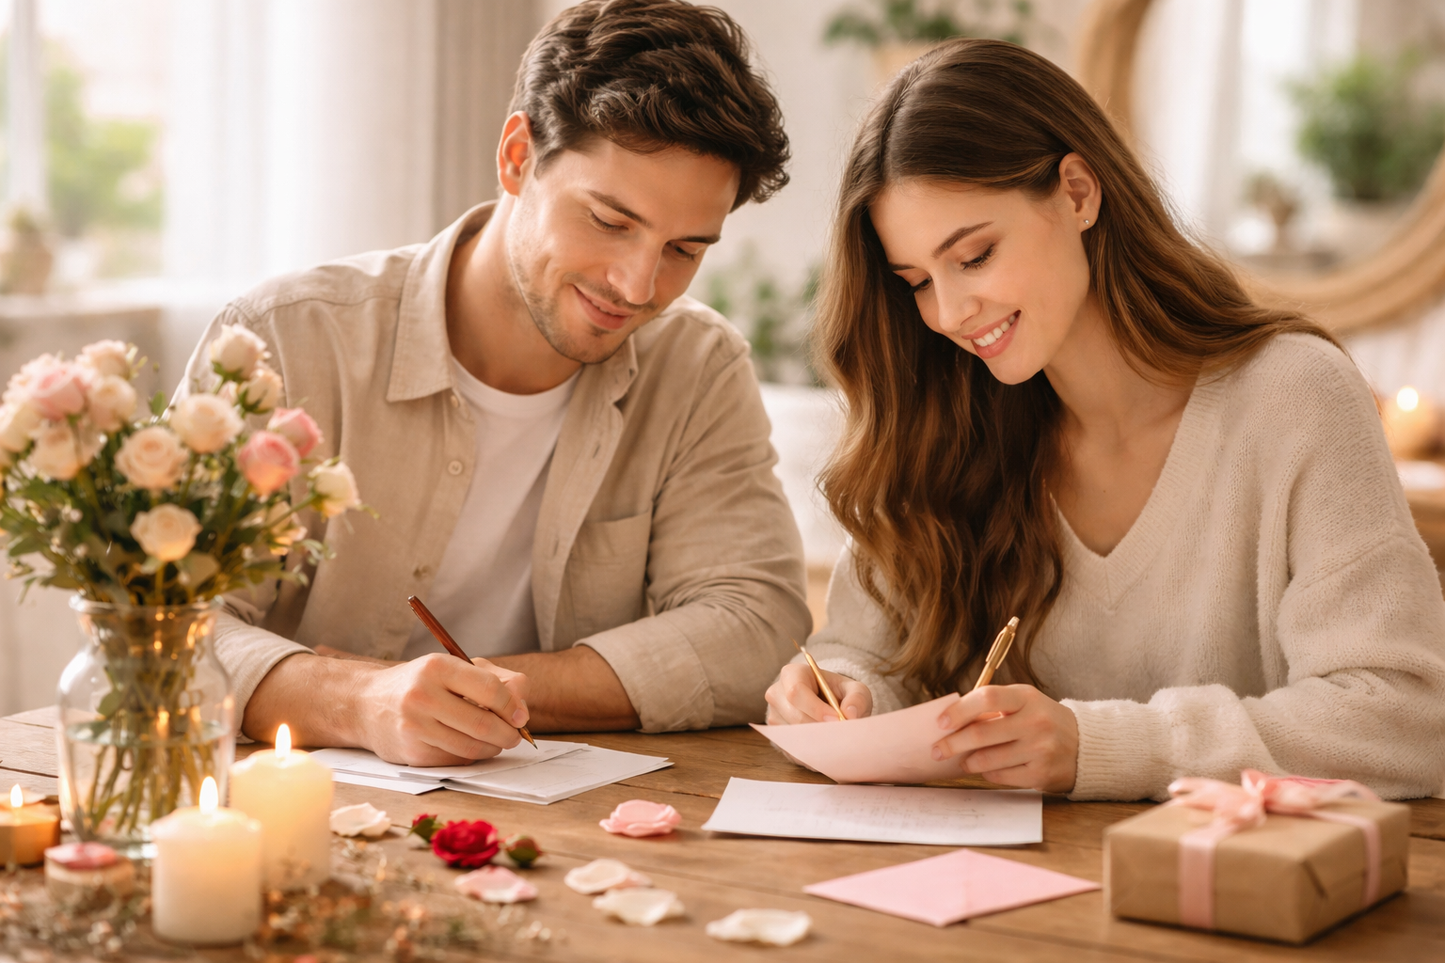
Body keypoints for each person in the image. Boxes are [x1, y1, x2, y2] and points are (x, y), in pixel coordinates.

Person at [765, 39, 1445, 801]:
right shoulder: (945, 417)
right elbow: (868, 655)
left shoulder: (1292, 397)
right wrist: (841, 692)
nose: (949, 313)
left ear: (1078, 193)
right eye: (916, 280)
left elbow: (1402, 718)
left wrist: (1099, 745)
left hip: (1224, 871)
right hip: (979, 871)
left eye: (975, 256)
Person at [182, 0, 810, 766]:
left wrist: (480, 692)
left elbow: (755, 625)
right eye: (609, 221)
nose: (638, 285)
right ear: (517, 157)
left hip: (564, 815)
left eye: (683, 249)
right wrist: (358, 701)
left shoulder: (696, 366)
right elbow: (157, 618)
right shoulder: (284, 339)